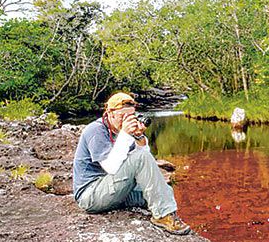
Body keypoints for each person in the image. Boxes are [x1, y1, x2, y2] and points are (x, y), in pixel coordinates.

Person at [72, 92, 191, 234]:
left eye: (130, 116)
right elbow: (111, 167)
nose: (126, 120)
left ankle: (166, 213)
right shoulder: (95, 130)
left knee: (162, 191)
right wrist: (125, 135)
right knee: (142, 161)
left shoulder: (123, 132)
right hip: (91, 195)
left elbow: (144, 161)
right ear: (110, 113)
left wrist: (139, 137)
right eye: (123, 116)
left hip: (114, 189)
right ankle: (162, 216)